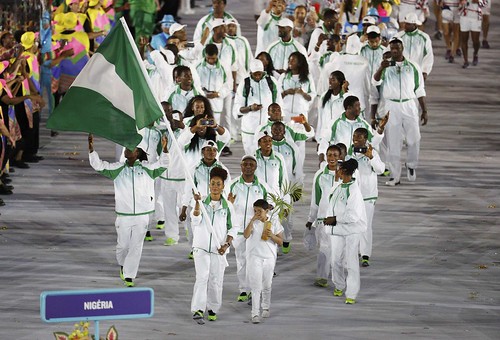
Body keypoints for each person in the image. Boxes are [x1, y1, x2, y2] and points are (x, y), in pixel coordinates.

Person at [88, 133, 169, 287]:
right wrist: (92, 150)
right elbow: (99, 166)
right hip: (124, 215)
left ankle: (129, 275)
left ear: (137, 153)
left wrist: (165, 150)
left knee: (136, 246)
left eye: (130, 149)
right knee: (123, 246)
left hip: (143, 214)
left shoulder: (147, 169)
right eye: (126, 149)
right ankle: (123, 265)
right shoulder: (117, 169)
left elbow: (163, 165)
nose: (126, 151)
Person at [373, 37, 428, 186]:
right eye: (392, 48)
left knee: (414, 138)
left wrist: (424, 110)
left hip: (409, 104)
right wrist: (381, 67)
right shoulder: (386, 66)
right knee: (393, 141)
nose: (395, 50)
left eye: (397, 48)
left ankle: (411, 165)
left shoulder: (413, 66)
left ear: (402, 48)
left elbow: (419, 89)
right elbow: (375, 81)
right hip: (392, 106)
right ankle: (394, 176)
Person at [190, 167, 237, 322]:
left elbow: (233, 228)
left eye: (218, 184)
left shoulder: (228, 206)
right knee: (202, 277)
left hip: (219, 249)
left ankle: (213, 308)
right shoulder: (201, 201)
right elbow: (195, 221)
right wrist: (197, 203)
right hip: (201, 247)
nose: (215, 186)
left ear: (223, 186)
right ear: (209, 185)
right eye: (212, 183)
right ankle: (198, 309)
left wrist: (226, 245)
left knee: (216, 280)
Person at [228, 155, 272, 303]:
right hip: (240, 230)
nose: (248, 166)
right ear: (241, 166)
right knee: (241, 261)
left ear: (255, 167)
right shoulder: (233, 185)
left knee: (255, 262)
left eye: (251, 164)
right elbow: (226, 206)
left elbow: (270, 206)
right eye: (245, 164)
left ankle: (254, 289)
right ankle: (243, 289)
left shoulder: (263, 186)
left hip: (256, 231)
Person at [323, 158, 367, 304]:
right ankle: (339, 285)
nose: (336, 170)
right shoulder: (338, 186)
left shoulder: (354, 190)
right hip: (337, 231)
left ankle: (351, 293)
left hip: (351, 231)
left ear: (344, 171)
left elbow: (353, 216)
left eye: (339, 169)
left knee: (351, 262)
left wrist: (334, 219)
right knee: (335, 260)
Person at [306, 144, 342, 288]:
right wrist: (311, 218)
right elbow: (316, 198)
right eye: (329, 155)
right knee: (324, 248)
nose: (331, 158)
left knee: (339, 249)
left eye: (335, 155)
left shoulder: (346, 174)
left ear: (340, 157)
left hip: (340, 219)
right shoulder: (320, 175)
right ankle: (322, 276)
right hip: (323, 218)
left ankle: (338, 276)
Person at [348, 128, 385, 267]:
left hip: (368, 196)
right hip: (352, 196)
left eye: (359, 137)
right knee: (352, 225)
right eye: (354, 137)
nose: (356, 139)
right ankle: (352, 251)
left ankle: (365, 254)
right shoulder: (348, 153)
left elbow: (381, 170)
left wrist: (371, 157)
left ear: (365, 139)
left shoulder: (372, 152)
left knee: (366, 225)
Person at [244, 199, 283, 324]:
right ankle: (255, 314)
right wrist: (251, 221)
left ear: (266, 211)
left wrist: (271, 235)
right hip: (254, 256)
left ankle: (266, 307)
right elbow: (245, 235)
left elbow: (281, 242)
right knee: (256, 287)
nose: (257, 213)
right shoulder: (252, 222)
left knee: (267, 284)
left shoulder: (274, 222)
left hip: (269, 257)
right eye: (255, 211)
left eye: (259, 211)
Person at [318, 96, 386, 166]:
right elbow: (324, 140)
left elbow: (372, 142)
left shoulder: (364, 124)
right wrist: (322, 157)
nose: (360, 108)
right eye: (357, 106)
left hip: (357, 163)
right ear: (349, 108)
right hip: (340, 162)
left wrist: (380, 129)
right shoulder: (335, 123)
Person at [233, 59, 281, 155]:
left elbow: (279, 103)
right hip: (250, 129)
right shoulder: (245, 83)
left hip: (267, 128)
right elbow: (238, 107)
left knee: (268, 155)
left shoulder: (271, 82)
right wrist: (250, 108)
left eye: (260, 74)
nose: (258, 76)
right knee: (251, 157)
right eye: (255, 74)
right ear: (251, 73)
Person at [195, 44, 233, 125]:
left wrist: (218, 94)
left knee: (213, 124)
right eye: (208, 58)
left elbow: (229, 84)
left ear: (217, 55)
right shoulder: (197, 65)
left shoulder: (224, 67)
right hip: (201, 101)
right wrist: (202, 93)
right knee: (201, 123)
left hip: (216, 101)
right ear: (205, 55)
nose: (211, 61)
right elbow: (194, 82)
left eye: (213, 58)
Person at [316, 71, 351, 147]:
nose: (330, 82)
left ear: (340, 82)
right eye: (329, 79)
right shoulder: (324, 96)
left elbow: (352, 112)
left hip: (342, 136)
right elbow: (321, 119)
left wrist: (344, 91)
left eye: (333, 80)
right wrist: (319, 139)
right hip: (326, 136)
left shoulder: (347, 96)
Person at [395, 13, 434, 80]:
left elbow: (428, 55)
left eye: (408, 24)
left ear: (414, 25)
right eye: (405, 23)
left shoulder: (424, 38)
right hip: (401, 72)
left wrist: (425, 71)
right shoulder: (398, 36)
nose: (405, 26)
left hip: (417, 72)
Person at [459, 0, 486, 68]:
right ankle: (466, 61)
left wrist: (476, 1)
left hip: (476, 16)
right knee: (464, 39)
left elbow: (484, 3)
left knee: (475, 40)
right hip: (464, 15)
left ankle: (475, 53)